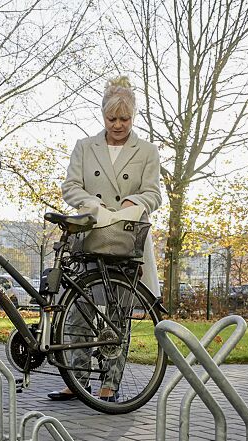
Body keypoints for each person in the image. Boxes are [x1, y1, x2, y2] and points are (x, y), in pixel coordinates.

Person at [48, 76, 162, 401]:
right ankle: (77, 381)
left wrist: (134, 202)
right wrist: (92, 205)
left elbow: (154, 193)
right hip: (91, 233)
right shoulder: (85, 147)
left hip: (127, 236)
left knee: (117, 314)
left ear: (134, 116)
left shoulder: (147, 151)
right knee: (79, 309)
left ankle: (109, 385)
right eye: (112, 118)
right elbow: (70, 186)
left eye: (124, 119)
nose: (118, 125)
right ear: (102, 114)